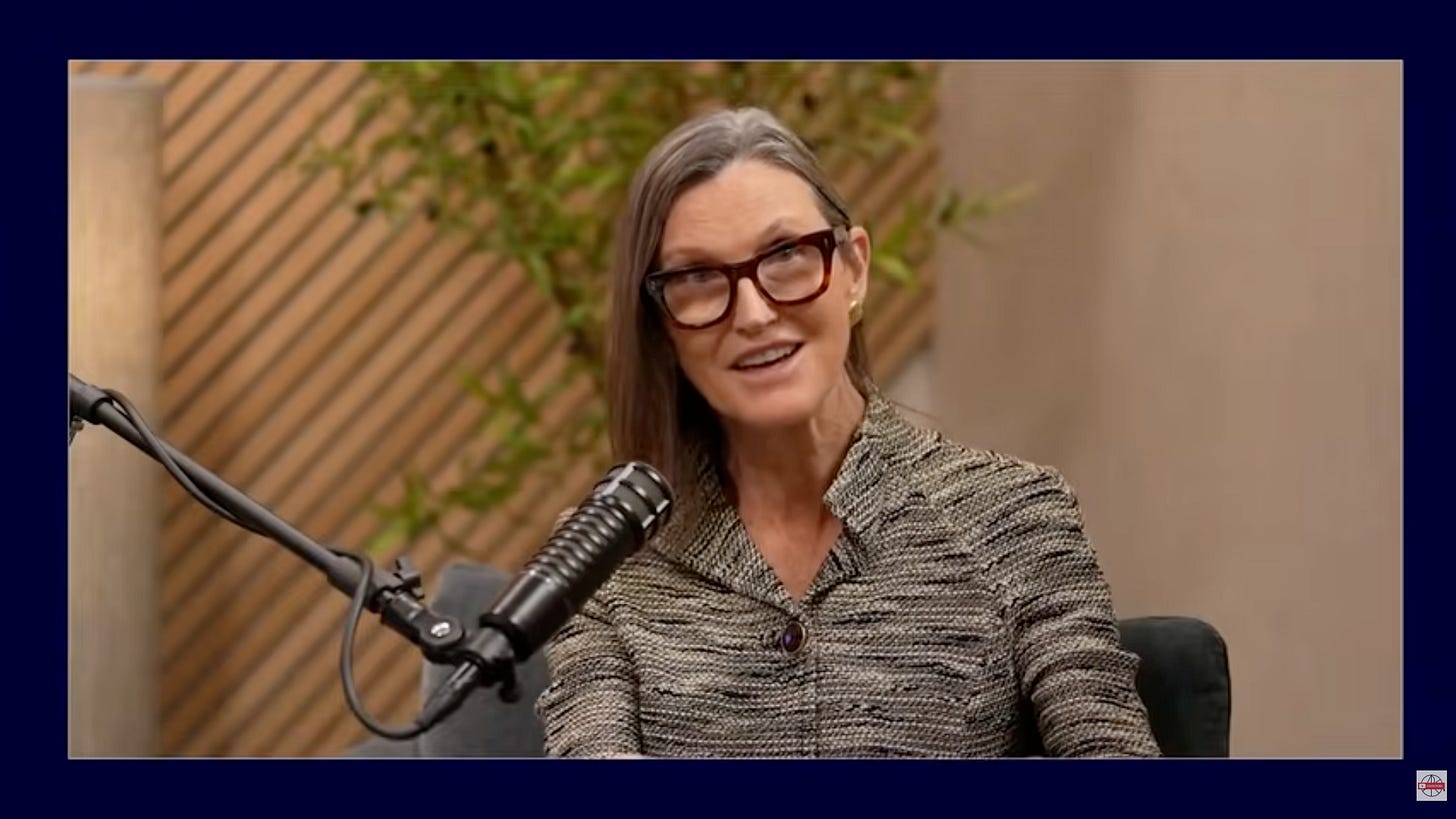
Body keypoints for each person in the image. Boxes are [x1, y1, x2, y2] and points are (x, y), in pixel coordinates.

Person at [534, 106, 1159, 758]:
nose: (754, 313)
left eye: (786, 255)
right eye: (697, 278)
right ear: (661, 324)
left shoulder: (1013, 516)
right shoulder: (606, 555)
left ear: (854, 270)